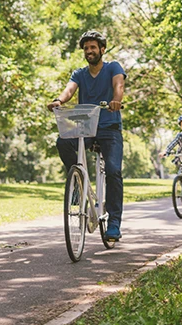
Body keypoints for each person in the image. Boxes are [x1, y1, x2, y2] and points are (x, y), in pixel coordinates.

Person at [46, 30, 126, 241]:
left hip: (109, 128)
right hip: (86, 128)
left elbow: (119, 85)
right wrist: (59, 101)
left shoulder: (113, 67)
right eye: (86, 48)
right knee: (63, 142)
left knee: (113, 171)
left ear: (102, 49)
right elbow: (69, 90)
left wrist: (116, 100)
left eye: (93, 47)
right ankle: (79, 187)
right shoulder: (79, 73)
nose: (89, 51)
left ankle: (114, 222)